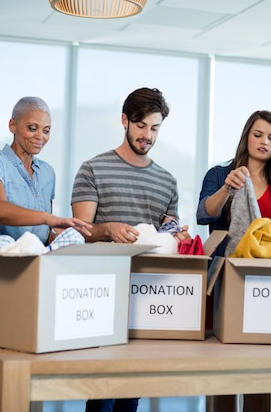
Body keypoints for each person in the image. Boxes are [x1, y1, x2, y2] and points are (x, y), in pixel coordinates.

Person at [71, 87, 189, 412]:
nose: (147, 135)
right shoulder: (92, 169)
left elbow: (168, 233)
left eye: (154, 128)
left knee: (131, 391)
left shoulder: (167, 181)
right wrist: (106, 230)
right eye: (140, 126)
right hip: (101, 293)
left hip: (147, 296)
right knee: (102, 392)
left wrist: (177, 236)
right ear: (124, 120)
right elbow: (79, 233)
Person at [0, 96, 91, 412]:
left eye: (47, 130)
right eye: (32, 128)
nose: (40, 136)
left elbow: (45, 230)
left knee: (30, 370)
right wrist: (49, 219)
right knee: (0, 370)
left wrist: (70, 234)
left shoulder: (48, 172)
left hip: (37, 278)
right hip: (2, 277)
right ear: (13, 126)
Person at [196, 110, 271, 412]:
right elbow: (203, 214)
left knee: (259, 366)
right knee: (222, 366)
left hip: (265, 283)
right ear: (246, 136)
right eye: (258, 134)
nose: (264, 141)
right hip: (225, 278)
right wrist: (227, 187)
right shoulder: (219, 174)